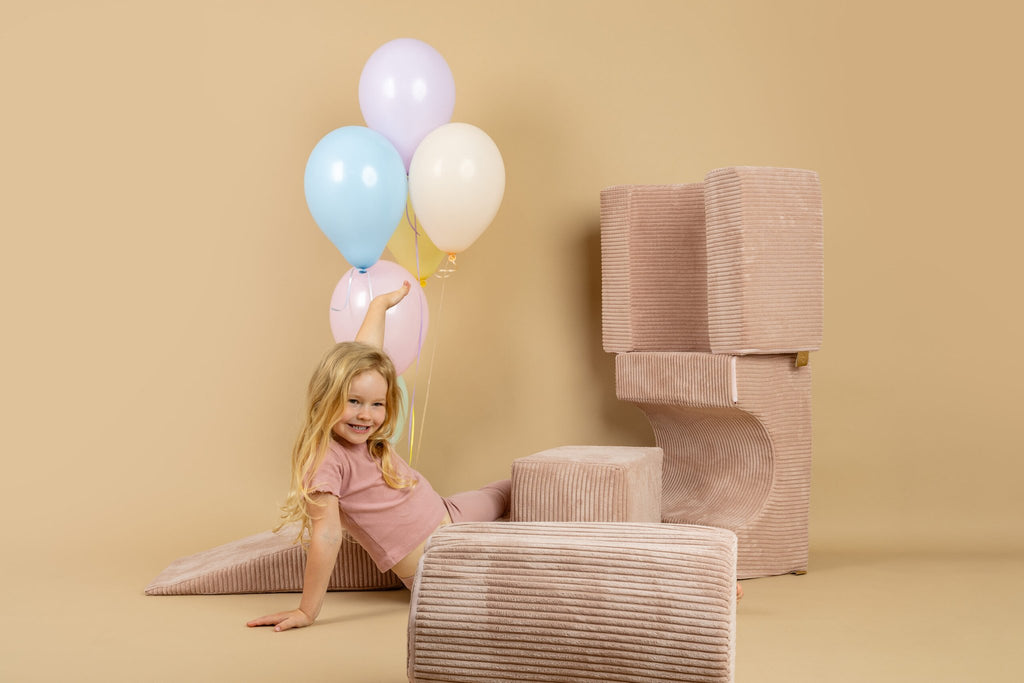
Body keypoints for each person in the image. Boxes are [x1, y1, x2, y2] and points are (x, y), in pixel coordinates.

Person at [247, 282, 510, 632]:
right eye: (354, 402)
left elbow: (365, 357)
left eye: (377, 405)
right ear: (327, 395)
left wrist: (379, 306)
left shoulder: (362, 410)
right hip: (436, 563)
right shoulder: (326, 459)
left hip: (448, 513)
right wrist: (307, 610)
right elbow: (326, 536)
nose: (366, 416)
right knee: (511, 570)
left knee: (508, 489)